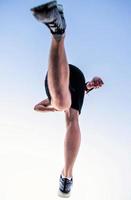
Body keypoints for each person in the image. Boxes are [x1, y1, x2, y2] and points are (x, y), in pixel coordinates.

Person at [31, 1, 104, 198]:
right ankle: (58, 34)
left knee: (67, 108)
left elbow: (38, 107)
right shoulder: (61, 100)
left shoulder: (58, 99)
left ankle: (58, 33)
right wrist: (87, 87)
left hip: (66, 80)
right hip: (71, 78)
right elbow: (39, 107)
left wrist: (89, 86)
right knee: (67, 108)